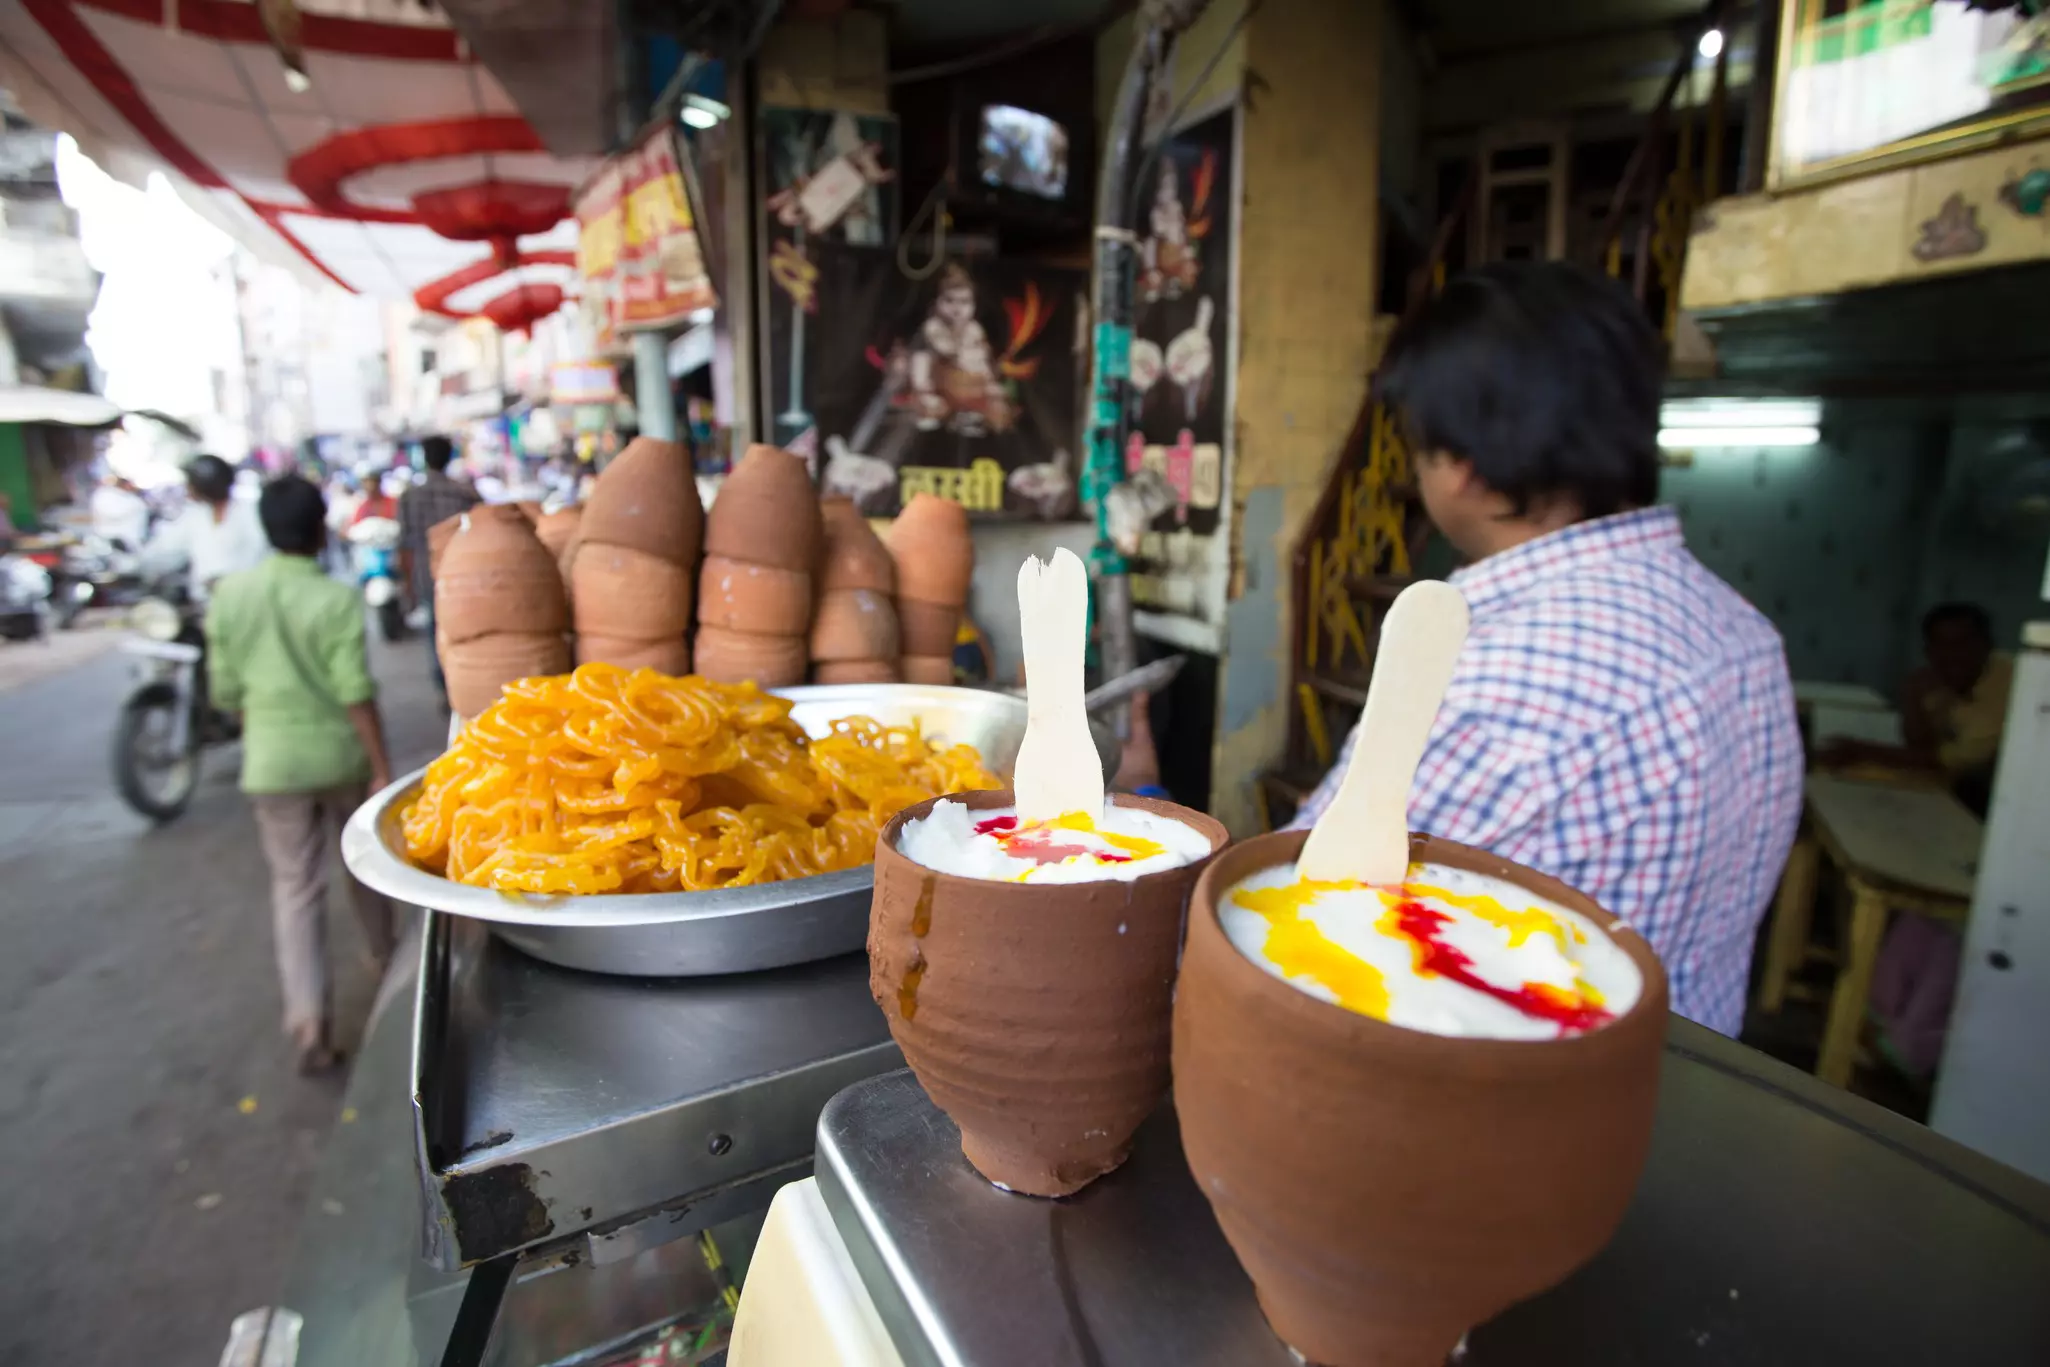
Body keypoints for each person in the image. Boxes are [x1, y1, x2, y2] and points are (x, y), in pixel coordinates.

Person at [1285, 262, 1804, 1037]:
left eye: (1420, 448)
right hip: (1684, 1098)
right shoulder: (1746, 637)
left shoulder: (1494, 686)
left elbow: (1293, 924)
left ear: (1464, 467)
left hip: (1507, 1130)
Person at [206, 475, 397, 1074]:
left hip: (270, 764)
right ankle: (387, 971)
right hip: (340, 757)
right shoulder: (336, 598)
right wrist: (382, 769)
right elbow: (355, 695)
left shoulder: (231, 595)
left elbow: (227, 691)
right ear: (320, 528)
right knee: (365, 869)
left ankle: (309, 1022)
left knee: (294, 889)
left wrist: (262, 728)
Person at [1825, 602, 2012, 818]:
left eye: (1963, 644)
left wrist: (1861, 750)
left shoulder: (2007, 683)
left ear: (1987, 645)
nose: (1952, 654)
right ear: (1928, 651)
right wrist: (1911, 695)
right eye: (1941, 645)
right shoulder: (1943, 680)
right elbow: (1919, 746)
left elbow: (1951, 760)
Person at [397, 435, 479, 698]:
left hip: (426, 575)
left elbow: (405, 544)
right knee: (466, 631)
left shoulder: (410, 497)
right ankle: (465, 684)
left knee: (437, 632)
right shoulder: (465, 494)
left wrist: (407, 584)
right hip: (465, 575)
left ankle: (447, 688)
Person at [145, 454, 269, 601]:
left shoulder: (249, 514)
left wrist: (226, 582)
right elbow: (164, 550)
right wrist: (131, 562)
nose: (188, 489)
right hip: (204, 604)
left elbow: (260, 556)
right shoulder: (194, 517)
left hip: (244, 602)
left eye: (191, 483)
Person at [90, 474, 152, 550]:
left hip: (132, 539)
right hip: (113, 538)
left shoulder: (131, 497)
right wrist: (133, 507)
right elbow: (113, 513)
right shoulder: (105, 495)